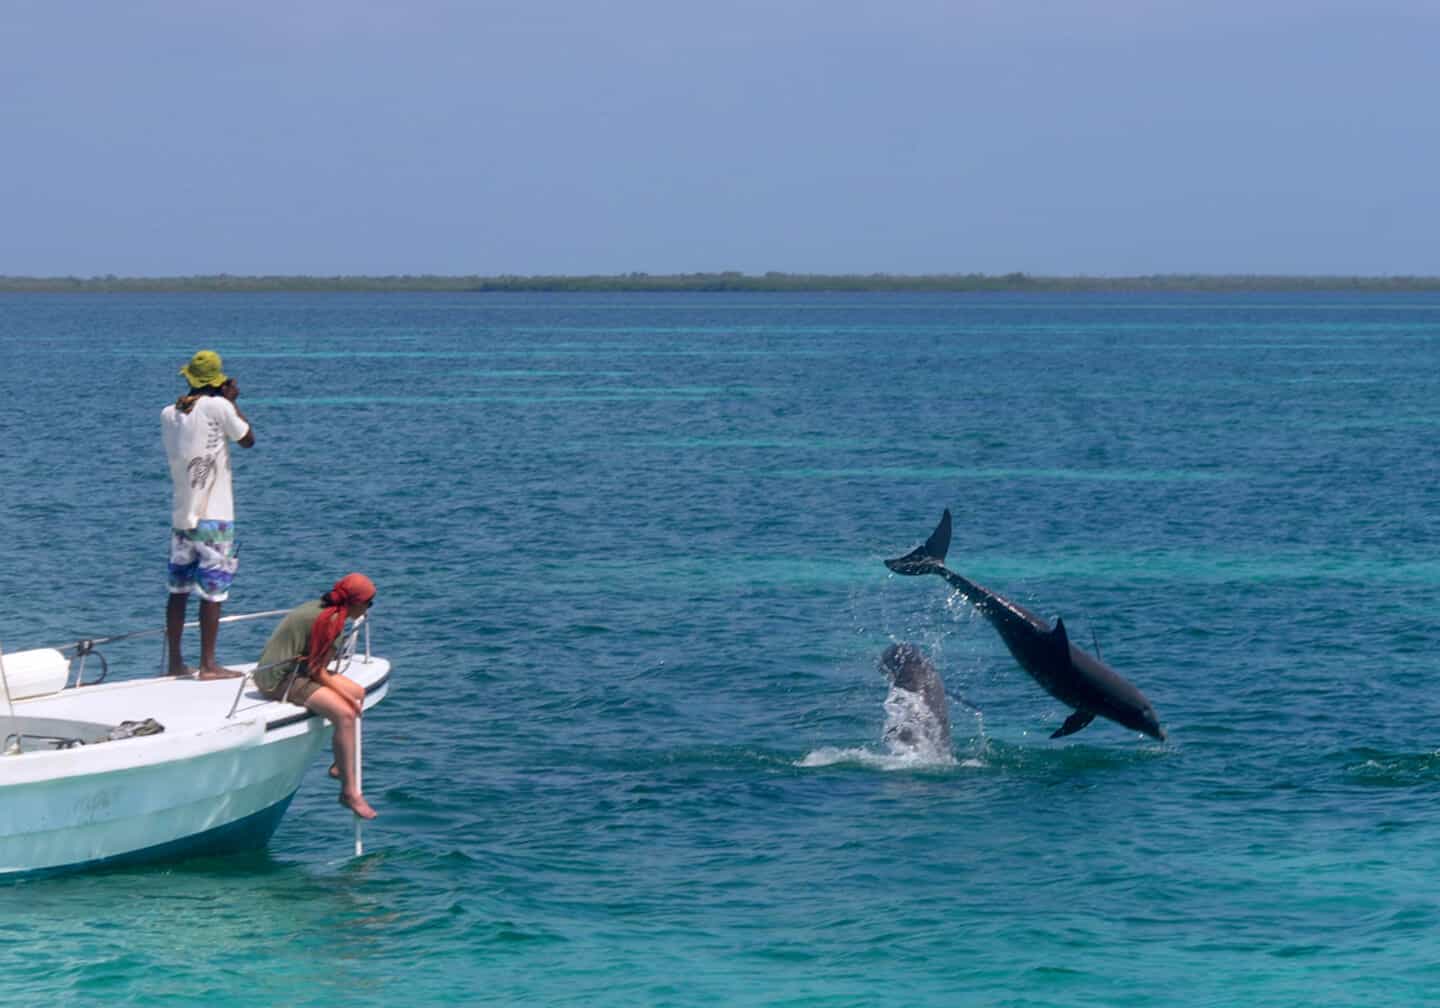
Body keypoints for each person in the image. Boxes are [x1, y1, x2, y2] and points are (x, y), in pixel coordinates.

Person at [162, 350, 255, 679]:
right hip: (214, 515)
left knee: (178, 591)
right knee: (213, 592)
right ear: (217, 382)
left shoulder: (169, 413)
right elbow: (247, 439)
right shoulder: (219, 407)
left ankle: (175, 662)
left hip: (182, 516)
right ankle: (208, 664)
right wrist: (231, 402)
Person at [255, 573, 378, 820]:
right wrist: (345, 700)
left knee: (359, 693)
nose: (369, 609)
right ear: (356, 603)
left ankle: (339, 765)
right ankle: (349, 793)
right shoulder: (330, 621)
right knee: (346, 714)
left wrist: (350, 696)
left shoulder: (327, 609)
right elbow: (317, 672)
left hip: (300, 668)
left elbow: (315, 665)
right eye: (369, 603)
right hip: (280, 677)